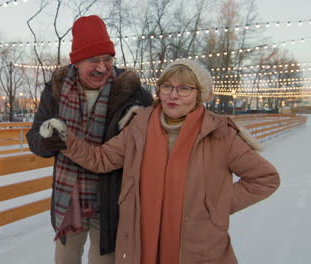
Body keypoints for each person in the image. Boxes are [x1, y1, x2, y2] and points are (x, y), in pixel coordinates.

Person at [41, 59, 280, 264]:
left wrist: (215, 205)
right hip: (141, 241)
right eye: (167, 86)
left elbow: (265, 179)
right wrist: (66, 139)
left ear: (200, 94)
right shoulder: (138, 125)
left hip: (197, 245)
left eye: (184, 88)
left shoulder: (219, 134)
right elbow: (101, 159)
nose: (173, 95)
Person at [26, 15, 153, 264]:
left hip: (111, 196)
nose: (102, 67)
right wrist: (45, 143)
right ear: (76, 62)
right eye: (93, 60)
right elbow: (34, 136)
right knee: (65, 259)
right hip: (69, 195)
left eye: (107, 59)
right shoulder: (55, 91)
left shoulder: (132, 93)